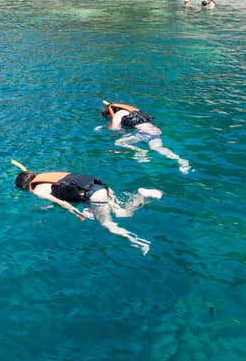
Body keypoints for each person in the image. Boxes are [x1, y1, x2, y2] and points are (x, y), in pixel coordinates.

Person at [12, 160, 161, 254]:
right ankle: (141, 194)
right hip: (100, 186)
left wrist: (76, 213)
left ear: (25, 187)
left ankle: (137, 241)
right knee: (123, 213)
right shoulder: (47, 175)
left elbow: (62, 203)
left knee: (108, 225)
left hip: (93, 196)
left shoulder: (37, 190)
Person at [101, 101, 191, 174]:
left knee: (118, 142)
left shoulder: (118, 114)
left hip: (145, 133)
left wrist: (106, 126)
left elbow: (114, 129)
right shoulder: (131, 111)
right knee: (158, 148)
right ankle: (181, 160)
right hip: (155, 131)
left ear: (109, 114)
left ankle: (140, 151)